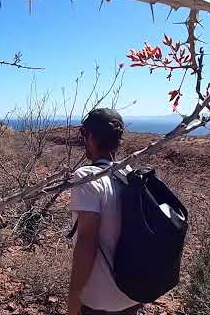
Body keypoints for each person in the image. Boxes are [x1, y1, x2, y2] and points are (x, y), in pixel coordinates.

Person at [67, 108, 142, 315]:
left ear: (90, 136)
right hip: (131, 294)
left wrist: (73, 303)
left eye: (84, 134)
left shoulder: (86, 177)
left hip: (99, 300)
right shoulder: (128, 174)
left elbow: (86, 243)